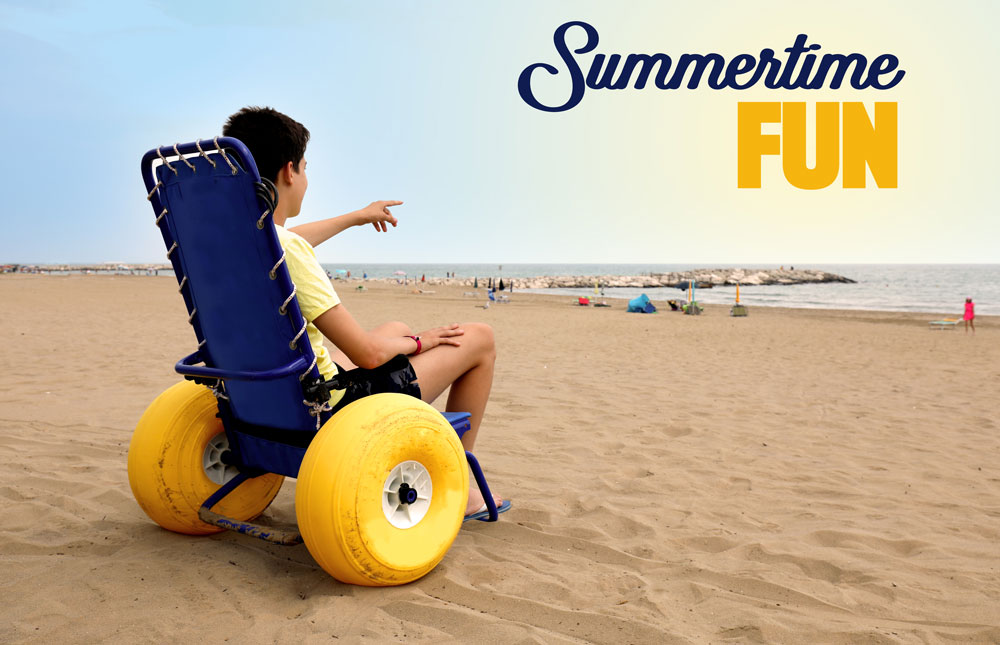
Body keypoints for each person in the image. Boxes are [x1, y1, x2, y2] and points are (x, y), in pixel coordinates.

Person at [223, 107, 506, 519]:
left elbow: (286, 237)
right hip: (324, 410)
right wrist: (421, 341)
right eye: (305, 167)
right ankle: (458, 481)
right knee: (478, 337)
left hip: (260, 398)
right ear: (289, 171)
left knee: (394, 327)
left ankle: (407, 340)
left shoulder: (235, 244)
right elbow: (368, 355)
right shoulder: (289, 250)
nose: (305, 177)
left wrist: (357, 216)